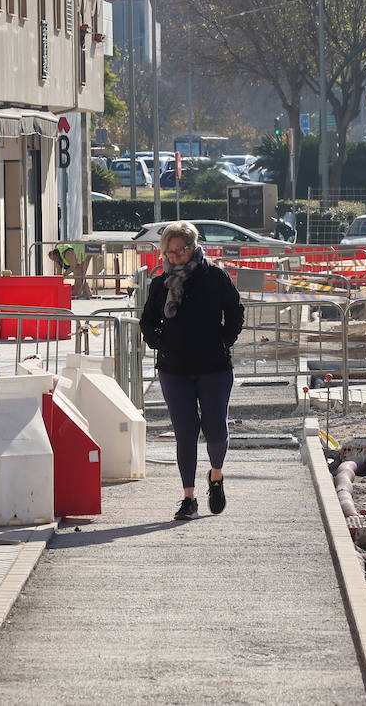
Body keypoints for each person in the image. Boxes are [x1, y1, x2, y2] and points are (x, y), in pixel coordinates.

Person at [140, 222, 244, 520]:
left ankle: (216, 476)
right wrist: (160, 342)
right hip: (174, 369)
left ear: (193, 247)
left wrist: (223, 341)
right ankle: (188, 497)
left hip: (213, 367)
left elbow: (235, 312)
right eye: (168, 252)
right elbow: (147, 321)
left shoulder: (215, 277)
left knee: (215, 429)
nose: (173, 257)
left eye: (179, 251)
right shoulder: (161, 284)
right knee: (184, 433)